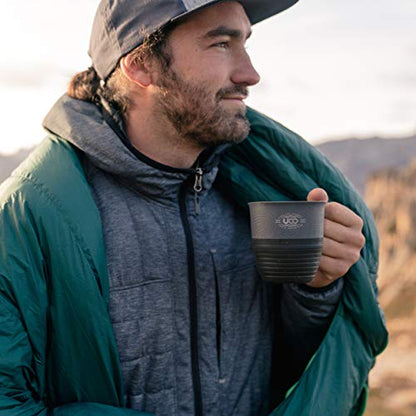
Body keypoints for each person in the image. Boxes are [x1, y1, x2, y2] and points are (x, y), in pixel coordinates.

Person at [0, 1, 388, 415]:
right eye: (221, 44)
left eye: (245, 44)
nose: (250, 74)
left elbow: (286, 369)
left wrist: (316, 289)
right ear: (141, 64)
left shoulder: (257, 191)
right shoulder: (28, 218)